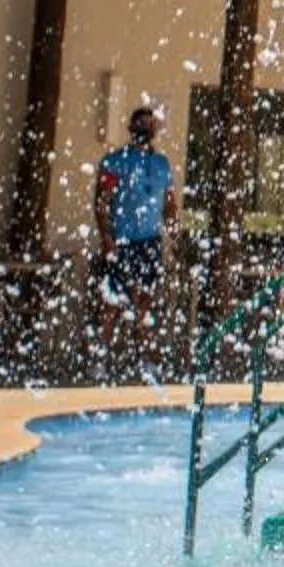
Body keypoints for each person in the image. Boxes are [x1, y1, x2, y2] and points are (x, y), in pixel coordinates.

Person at [92, 106, 178, 375]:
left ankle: (144, 359)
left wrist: (174, 238)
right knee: (112, 302)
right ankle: (100, 357)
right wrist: (107, 238)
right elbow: (101, 202)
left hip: (149, 241)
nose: (145, 130)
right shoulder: (115, 160)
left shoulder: (161, 164)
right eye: (141, 124)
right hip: (122, 240)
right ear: (132, 128)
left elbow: (169, 205)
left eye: (149, 125)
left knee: (145, 302)